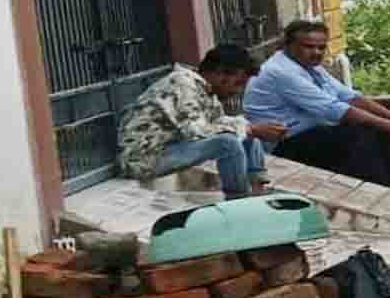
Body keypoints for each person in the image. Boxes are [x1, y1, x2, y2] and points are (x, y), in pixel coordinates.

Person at [244, 19, 390, 191]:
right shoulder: (280, 72)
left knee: (378, 130)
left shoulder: (310, 66)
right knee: (359, 136)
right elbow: (334, 109)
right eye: (308, 47)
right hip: (283, 143)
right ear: (288, 46)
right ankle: (377, 190)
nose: (316, 52)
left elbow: (349, 97)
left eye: (321, 47)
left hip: (312, 134)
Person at [118, 44, 283, 199]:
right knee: (228, 143)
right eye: (238, 83)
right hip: (144, 160)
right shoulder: (182, 84)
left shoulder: (206, 90)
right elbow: (196, 132)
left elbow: (219, 122)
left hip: (171, 148)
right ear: (219, 74)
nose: (238, 91)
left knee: (244, 129)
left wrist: (250, 129)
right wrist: (251, 130)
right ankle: (238, 198)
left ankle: (257, 187)